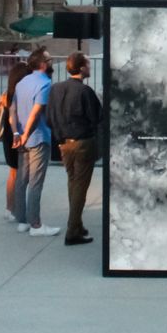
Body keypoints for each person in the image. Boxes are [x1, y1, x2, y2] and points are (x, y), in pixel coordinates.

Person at [47, 52, 101, 246]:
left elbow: (49, 117)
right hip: (82, 144)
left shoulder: (55, 89)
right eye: (88, 64)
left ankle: (76, 224)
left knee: (72, 182)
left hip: (63, 144)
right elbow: (97, 118)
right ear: (81, 68)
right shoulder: (85, 92)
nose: (90, 67)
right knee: (80, 186)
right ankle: (72, 230)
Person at [11, 49, 59, 237]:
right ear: (43, 63)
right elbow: (36, 112)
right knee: (35, 183)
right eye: (49, 58)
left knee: (21, 181)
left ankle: (22, 220)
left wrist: (17, 133)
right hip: (37, 138)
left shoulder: (22, 82)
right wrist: (26, 134)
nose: (51, 60)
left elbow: (12, 110)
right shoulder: (45, 84)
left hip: (21, 136)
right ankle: (36, 225)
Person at [0, 63, 30, 222]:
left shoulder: (6, 96)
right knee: (21, 175)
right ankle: (17, 209)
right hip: (17, 137)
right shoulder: (21, 97)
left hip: (8, 138)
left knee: (13, 173)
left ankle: (9, 208)